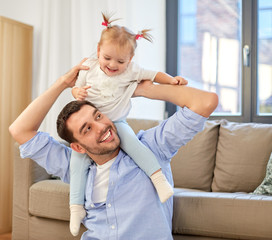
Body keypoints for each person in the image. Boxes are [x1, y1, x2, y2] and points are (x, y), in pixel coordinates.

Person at [9, 59, 218, 239]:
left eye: (98, 116)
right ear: (77, 147)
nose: (102, 127)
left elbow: (206, 102)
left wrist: (147, 90)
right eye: (87, 129)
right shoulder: (72, 167)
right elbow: (19, 130)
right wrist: (63, 83)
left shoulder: (153, 146)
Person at [69, 13, 188, 236]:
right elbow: (76, 86)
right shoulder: (89, 66)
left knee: (134, 146)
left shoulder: (132, 71)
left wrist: (171, 80)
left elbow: (154, 74)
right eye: (107, 58)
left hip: (117, 123)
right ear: (98, 51)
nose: (112, 65)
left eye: (120, 61)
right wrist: (77, 91)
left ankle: (158, 180)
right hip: (92, 124)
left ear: (130, 59)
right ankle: (76, 207)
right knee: (77, 163)